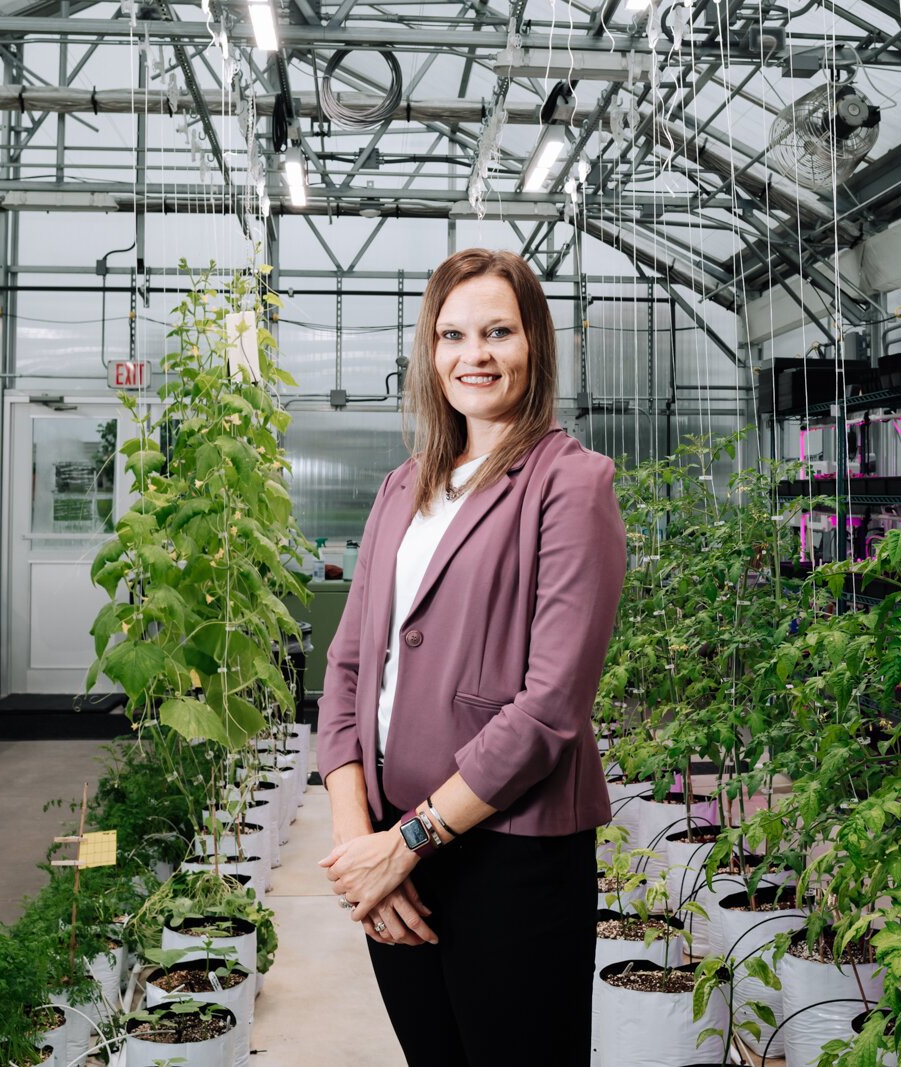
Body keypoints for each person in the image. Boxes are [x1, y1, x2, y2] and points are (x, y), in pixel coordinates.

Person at [315, 248, 625, 1067]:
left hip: (509, 850)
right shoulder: (402, 486)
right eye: (452, 334)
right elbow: (347, 668)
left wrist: (407, 840)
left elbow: (550, 706)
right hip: (392, 850)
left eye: (497, 331)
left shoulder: (571, 483)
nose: (473, 355)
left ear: (535, 345)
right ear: (430, 350)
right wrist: (361, 848)